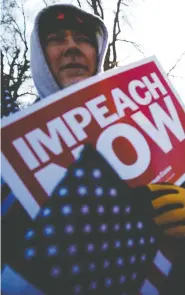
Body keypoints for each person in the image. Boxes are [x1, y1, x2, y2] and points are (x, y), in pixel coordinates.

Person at [1, 3, 185, 295]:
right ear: (39, 56)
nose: (72, 47)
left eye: (83, 38)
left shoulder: (149, 123)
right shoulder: (8, 153)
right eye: (56, 38)